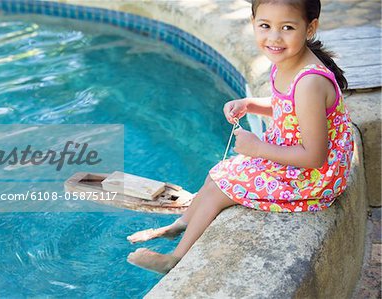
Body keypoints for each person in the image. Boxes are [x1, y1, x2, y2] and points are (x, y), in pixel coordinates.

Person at [126, 0, 354, 274]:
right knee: (218, 173)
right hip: (295, 158)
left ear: (310, 28)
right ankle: (182, 224)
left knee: (222, 189)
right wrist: (250, 104)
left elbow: (315, 157)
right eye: (265, 26)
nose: (274, 37)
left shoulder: (310, 82)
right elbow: (287, 107)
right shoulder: (286, 59)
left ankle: (174, 259)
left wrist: (258, 148)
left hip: (315, 178)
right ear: (253, 23)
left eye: (287, 28)